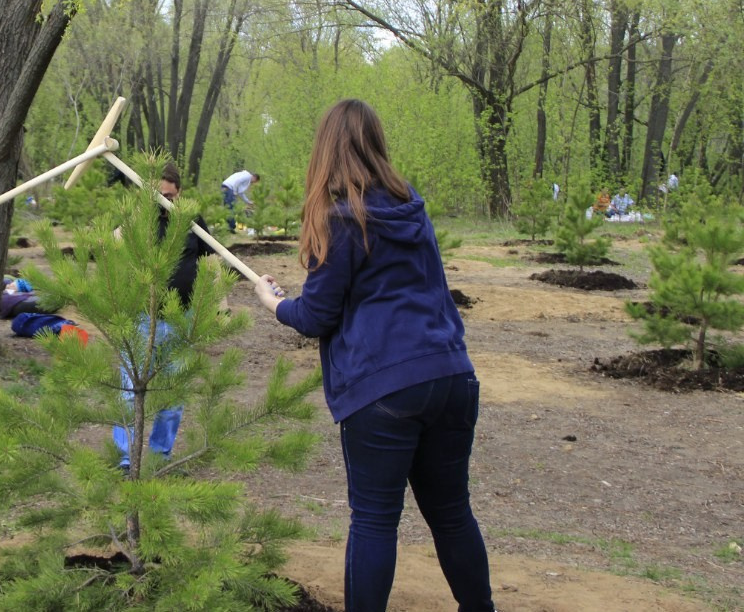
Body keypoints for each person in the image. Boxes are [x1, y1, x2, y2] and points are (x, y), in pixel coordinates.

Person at [252, 99, 494, 612]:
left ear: (325, 152)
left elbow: (316, 316)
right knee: (451, 512)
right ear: (375, 144)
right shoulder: (412, 206)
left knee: (374, 518)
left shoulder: (340, 216)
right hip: (451, 374)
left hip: (385, 386)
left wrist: (273, 302)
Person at [112, 162, 214, 469]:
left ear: (179, 192)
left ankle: (160, 457)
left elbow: (212, 257)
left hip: (182, 318)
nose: (163, 201)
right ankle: (126, 460)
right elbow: (111, 247)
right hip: (141, 319)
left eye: (168, 195)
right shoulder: (139, 218)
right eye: (157, 195)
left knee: (172, 396)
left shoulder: (191, 220)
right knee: (130, 393)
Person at [220, 168, 259, 233]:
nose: (253, 183)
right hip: (229, 188)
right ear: (254, 178)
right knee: (230, 207)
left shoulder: (244, 175)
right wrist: (234, 192)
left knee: (227, 207)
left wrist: (248, 201)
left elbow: (241, 192)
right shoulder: (247, 176)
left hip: (224, 186)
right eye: (255, 181)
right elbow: (238, 181)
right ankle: (231, 227)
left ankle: (227, 227)